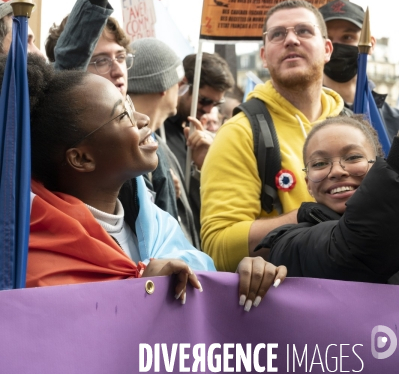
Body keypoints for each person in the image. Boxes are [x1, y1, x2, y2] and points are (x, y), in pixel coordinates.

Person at [0, 55, 286, 308]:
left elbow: (206, 298)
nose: (143, 118)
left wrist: (245, 277)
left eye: (129, 103)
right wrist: (139, 296)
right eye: (122, 115)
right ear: (82, 159)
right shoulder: (29, 260)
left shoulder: (156, 224)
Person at [201, 0, 343, 272]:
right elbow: (217, 248)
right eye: (278, 34)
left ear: (327, 49)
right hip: (283, 307)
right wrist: (302, 218)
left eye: (304, 30)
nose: (291, 39)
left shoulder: (355, 128)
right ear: (264, 56)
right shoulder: (240, 133)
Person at [256, 115, 399, 284]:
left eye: (353, 157)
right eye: (319, 163)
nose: (337, 171)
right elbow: (353, 247)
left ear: (378, 167)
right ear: (308, 184)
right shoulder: (287, 242)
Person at [127, 38, 199, 248]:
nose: (181, 90)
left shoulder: (156, 142)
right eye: (180, 84)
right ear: (164, 86)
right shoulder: (132, 145)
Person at [163, 52, 235, 236]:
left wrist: (205, 165)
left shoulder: (198, 134)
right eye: (205, 100)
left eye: (216, 103)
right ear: (183, 85)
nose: (209, 109)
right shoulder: (157, 131)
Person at [320, 0, 399, 141]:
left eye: (347, 37)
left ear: (371, 44)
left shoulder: (394, 121)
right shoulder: (305, 115)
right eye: (327, 38)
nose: (335, 46)